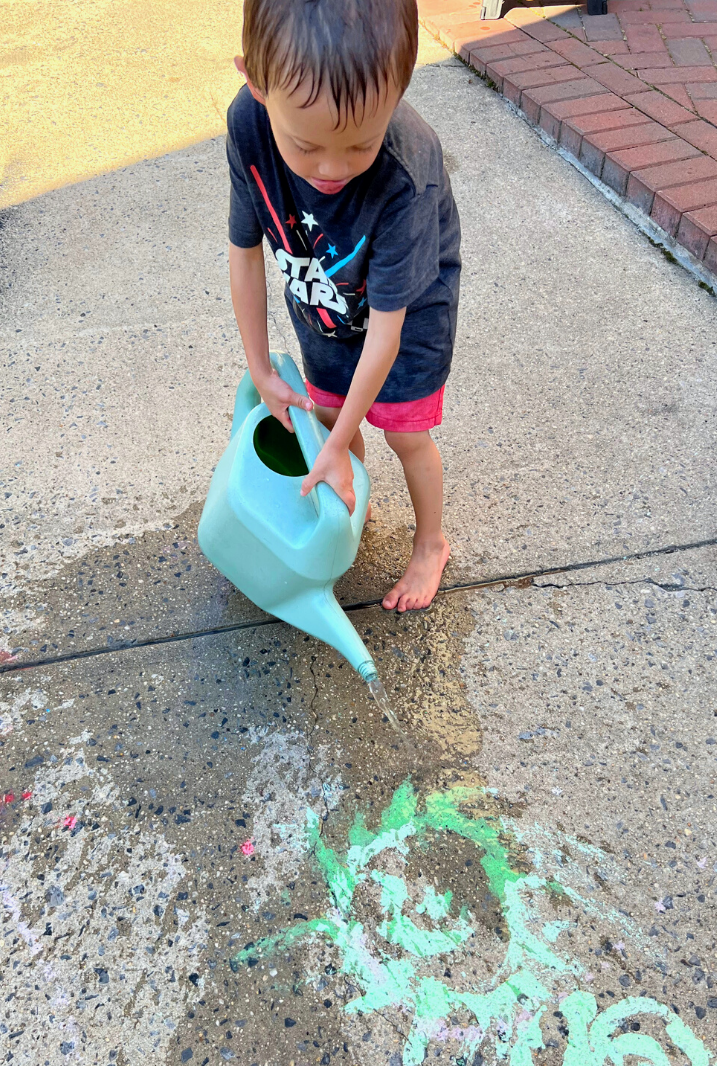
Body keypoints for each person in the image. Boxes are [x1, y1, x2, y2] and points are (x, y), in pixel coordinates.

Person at [226, 0, 461, 612]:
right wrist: (260, 367)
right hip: (325, 302)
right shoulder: (247, 125)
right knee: (331, 422)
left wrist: (340, 438)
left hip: (406, 317)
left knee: (407, 437)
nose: (332, 169)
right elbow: (245, 253)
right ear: (255, 81)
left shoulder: (407, 172)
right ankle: (348, 498)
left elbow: (386, 335)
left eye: (360, 145)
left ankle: (430, 542)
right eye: (305, 146)